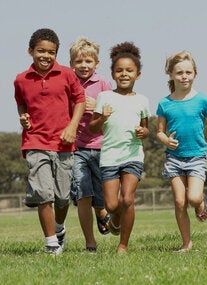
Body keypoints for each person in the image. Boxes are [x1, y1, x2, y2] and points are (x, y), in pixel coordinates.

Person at [14, 28, 85, 255]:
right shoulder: (21, 80)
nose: (46, 56)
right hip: (35, 142)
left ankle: (59, 228)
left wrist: (72, 127)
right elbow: (22, 103)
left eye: (51, 52)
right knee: (43, 193)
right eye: (41, 51)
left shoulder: (66, 74)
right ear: (30, 51)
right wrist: (23, 117)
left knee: (62, 197)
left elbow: (80, 100)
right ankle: (51, 244)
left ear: (57, 54)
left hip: (64, 143)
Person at [156, 51, 207, 253]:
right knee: (179, 201)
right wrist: (165, 139)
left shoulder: (202, 100)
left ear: (195, 74)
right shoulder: (165, 103)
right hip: (173, 159)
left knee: (193, 198)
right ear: (171, 75)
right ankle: (186, 243)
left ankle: (200, 203)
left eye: (188, 72)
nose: (184, 76)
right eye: (180, 72)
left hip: (197, 157)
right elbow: (159, 131)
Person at [89, 42, 150, 253]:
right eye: (119, 70)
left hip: (133, 155)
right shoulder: (105, 97)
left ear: (138, 74)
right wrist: (103, 116)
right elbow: (93, 126)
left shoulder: (142, 100)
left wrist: (144, 133)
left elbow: (145, 128)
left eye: (129, 70)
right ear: (113, 74)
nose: (124, 74)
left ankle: (123, 245)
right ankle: (114, 220)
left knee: (127, 199)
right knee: (113, 206)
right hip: (109, 157)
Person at [69, 38, 112, 251]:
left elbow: (113, 112)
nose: (84, 65)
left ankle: (101, 211)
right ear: (71, 64)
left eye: (88, 61)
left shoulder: (103, 83)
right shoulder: (68, 83)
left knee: (101, 194)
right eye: (79, 61)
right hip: (77, 148)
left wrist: (98, 106)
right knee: (83, 193)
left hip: (102, 145)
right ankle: (90, 242)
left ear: (96, 63)